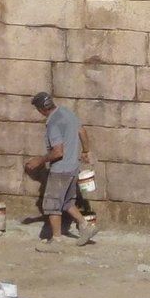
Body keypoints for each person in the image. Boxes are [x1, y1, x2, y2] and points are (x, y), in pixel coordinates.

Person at [25, 91, 95, 247]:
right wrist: (85, 151)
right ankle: (86, 226)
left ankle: (56, 241)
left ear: (41, 109)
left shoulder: (53, 123)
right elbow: (82, 131)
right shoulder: (67, 113)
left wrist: (39, 160)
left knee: (51, 205)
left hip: (61, 169)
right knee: (67, 202)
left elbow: (58, 151)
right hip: (73, 167)